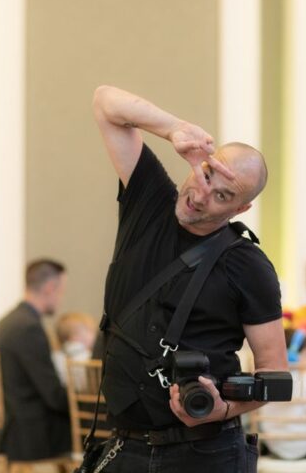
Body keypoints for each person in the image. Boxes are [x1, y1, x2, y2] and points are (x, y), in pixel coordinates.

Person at [91, 85, 288, 472]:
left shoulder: (248, 266)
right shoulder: (149, 204)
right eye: (208, 173)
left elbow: (275, 372)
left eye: (222, 195)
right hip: (124, 447)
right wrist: (174, 129)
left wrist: (222, 408)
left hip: (206, 453)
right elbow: (104, 102)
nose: (201, 194)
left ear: (241, 207)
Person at [0, 259, 72, 461]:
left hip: (10, 425)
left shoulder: (8, 321)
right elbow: (52, 395)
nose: (60, 299)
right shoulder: (29, 328)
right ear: (50, 288)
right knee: (95, 427)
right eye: (61, 291)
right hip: (28, 433)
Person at [52, 312, 98, 387]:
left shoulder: (56, 357)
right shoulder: (89, 357)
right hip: (89, 396)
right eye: (90, 331)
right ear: (75, 336)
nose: (94, 335)